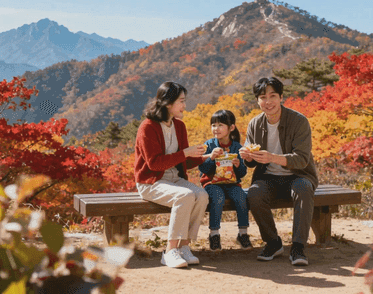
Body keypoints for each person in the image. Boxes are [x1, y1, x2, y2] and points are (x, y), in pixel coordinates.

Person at [239, 77, 318, 266]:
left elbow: (301, 159)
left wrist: (272, 157)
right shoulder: (255, 124)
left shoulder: (299, 121)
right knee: (254, 193)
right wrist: (248, 157)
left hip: (298, 175)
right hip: (268, 178)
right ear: (257, 101)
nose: (268, 102)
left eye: (273, 96)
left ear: (281, 97)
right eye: (263, 97)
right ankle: (273, 243)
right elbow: (251, 163)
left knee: (304, 189)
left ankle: (298, 247)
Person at [134, 81, 209, 268]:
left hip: (174, 179)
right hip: (151, 182)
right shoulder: (148, 127)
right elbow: (155, 163)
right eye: (181, 101)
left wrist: (208, 157)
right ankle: (169, 251)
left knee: (201, 195)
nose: (184, 105)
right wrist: (186, 153)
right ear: (168, 103)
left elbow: (184, 161)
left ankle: (184, 247)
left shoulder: (179, 126)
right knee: (185, 195)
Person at [199, 110, 252, 251]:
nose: (216, 129)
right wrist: (211, 157)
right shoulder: (209, 145)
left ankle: (243, 234)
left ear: (231, 128)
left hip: (232, 183)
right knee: (218, 197)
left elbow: (242, 173)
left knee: (242, 197)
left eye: (220, 125)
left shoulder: (237, 147)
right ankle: (214, 234)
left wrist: (238, 165)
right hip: (212, 183)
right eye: (213, 125)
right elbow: (202, 168)